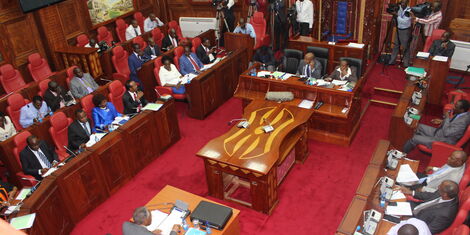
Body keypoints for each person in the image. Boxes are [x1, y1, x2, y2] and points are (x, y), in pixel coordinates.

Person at [403, 99, 470, 153]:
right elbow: (453, 125)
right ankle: (407, 142)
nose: (453, 107)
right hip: (439, 132)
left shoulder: (463, 122)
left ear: (462, 110)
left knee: (414, 138)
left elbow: (447, 133)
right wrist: (442, 121)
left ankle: (403, 153)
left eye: (456, 107)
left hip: (442, 140)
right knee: (417, 126)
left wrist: (446, 118)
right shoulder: (462, 114)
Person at [388, 0, 412, 67]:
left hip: (405, 31)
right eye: (401, 2)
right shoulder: (398, 8)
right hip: (398, 29)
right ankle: (392, 61)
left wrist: (397, 16)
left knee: (405, 47)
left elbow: (405, 22)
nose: (402, 4)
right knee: (396, 45)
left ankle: (406, 64)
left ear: (407, 3)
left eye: (404, 3)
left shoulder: (409, 10)